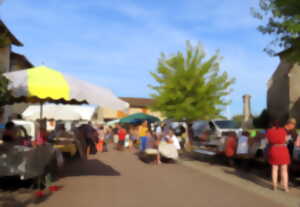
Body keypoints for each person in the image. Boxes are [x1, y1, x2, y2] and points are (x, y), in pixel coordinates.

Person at [266, 120, 290, 192]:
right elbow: (286, 140)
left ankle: (274, 187)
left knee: (274, 169)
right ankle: (286, 188)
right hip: (283, 149)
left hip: (274, 149)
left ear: (273, 125)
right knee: (284, 170)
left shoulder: (269, 131)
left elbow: (268, 141)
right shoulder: (283, 131)